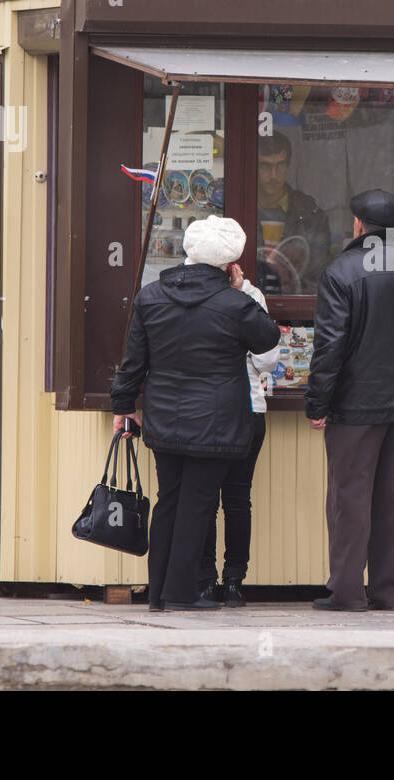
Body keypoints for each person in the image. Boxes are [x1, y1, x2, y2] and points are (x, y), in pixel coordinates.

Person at [110, 216, 280, 612]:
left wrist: (122, 408)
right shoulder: (235, 303)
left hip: (164, 415)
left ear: (188, 251)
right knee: (199, 503)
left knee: (169, 498)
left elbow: (132, 362)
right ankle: (183, 592)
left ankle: (158, 592)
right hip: (217, 420)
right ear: (228, 262)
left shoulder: (151, 297)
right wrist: (239, 293)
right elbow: (268, 338)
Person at [305, 189, 394, 611]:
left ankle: (347, 593)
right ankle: (389, 591)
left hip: (353, 406)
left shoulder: (340, 271)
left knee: (350, 497)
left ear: (357, 225)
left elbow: (329, 348)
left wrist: (318, 404)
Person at [196, 274, 281, 607]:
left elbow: (266, 361)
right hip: (244, 407)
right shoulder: (250, 296)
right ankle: (231, 582)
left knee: (213, 499)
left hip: (219, 410)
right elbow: (265, 359)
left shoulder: (236, 293)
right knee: (234, 499)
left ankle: (210, 581)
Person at [256, 132, 332, 295]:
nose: (273, 175)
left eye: (281, 165)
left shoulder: (312, 216)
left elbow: (317, 278)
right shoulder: (242, 210)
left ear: (288, 166)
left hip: (294, 313)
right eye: (265, 166)